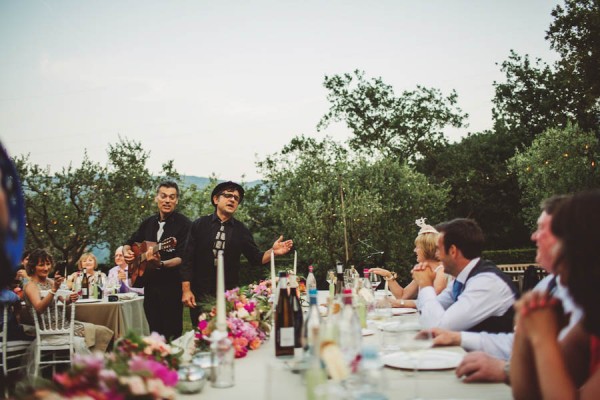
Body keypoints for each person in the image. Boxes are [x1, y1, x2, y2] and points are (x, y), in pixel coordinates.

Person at [431, 195, 582, 383]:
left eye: (543, 229)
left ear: (572, 238)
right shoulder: (548, 285)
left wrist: (507, 371)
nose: (534, 236)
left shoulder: (587, 300)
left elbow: (571, 367)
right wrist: (458, 338)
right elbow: (517, 342)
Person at [511, 189, 600, 399]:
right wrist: (525, 332)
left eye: (559, 239)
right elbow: (530, 393)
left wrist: (542, 338)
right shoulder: (592, 323)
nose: (554, 252)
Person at [181, 181, 294, 326]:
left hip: (228, 294)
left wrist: (273, 252)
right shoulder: (199, 224)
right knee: (202, 333)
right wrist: (186, 290)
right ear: (216, 199)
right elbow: (187, 259)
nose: (232, 199)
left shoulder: (241, 230)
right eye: (228, 195)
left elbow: (256, 258)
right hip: (200, 292)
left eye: (236, 198)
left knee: (228, 332)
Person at [412, 218, 517, 333]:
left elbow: (437, 327)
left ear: (452, 251)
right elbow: (426, 311)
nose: (437, 255)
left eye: (438, 249)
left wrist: (425, 285)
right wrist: (424, 286)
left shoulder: (486, 282)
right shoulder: (461, 280)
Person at [123, 181, 191, 340]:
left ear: (177, 201)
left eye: (172, 197)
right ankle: (157, 362)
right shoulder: (148, 223)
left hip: (171, 287)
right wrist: (127, 252)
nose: (167, 200)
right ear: (156, 198)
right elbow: (130, 242)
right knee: (154, 332)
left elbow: (182, 257)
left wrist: (160, 264)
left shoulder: (185, 224)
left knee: (172, 333)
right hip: (149, 285)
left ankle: (174, 363)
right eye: (163, 196)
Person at [23, 248, 113, 352]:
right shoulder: (31, 286)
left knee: (104, 330)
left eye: (48, 264)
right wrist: (53, 290)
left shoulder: (50, 282)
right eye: (41, 265)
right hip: (50, 330)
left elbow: (64, 301)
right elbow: (39, 308)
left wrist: (70, 298)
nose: (46, 268)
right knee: (100, 332)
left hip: (64, 324)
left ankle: (98, 361)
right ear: (33, 267)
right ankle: (91, 363)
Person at [370, 218, 448, 308]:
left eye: (417, 247)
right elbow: (403, 296)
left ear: (428, 249)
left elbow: (431, 303)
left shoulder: (442, 271)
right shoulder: (425, 270)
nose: (414, 250)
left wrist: (398, 303)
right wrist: (388, 276)